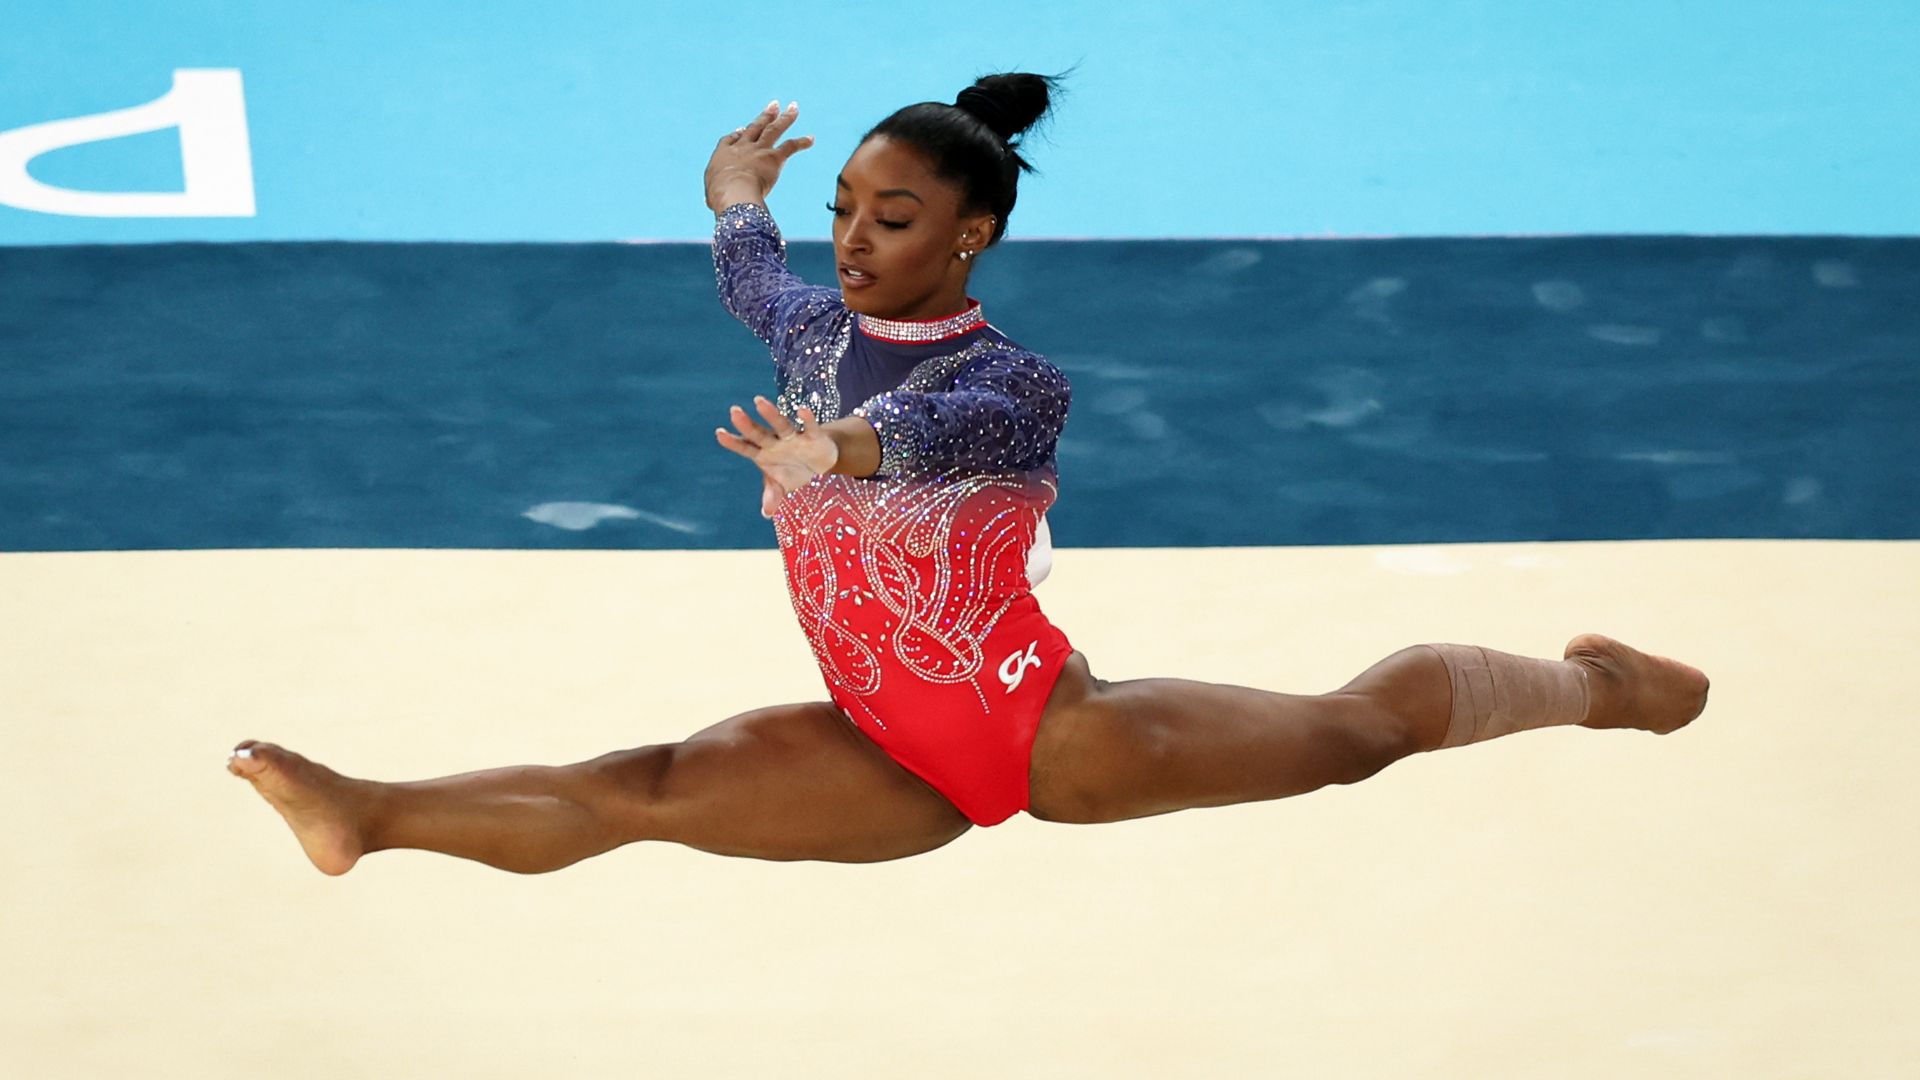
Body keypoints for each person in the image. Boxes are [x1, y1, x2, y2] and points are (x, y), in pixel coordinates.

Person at [229, 75, 1709, 875]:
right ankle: (371, 812)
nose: (854, 240)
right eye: (845, 210)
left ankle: (1598, 686)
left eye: (893, 216)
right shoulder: (812, 324)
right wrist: (738, 198)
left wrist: (836, 454)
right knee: (643, 793)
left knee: (1356, 729)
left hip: (1050, 734)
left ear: (970, 236)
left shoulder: (1011, 381)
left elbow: (930, 437)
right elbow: (755, 276)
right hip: (883, 739)